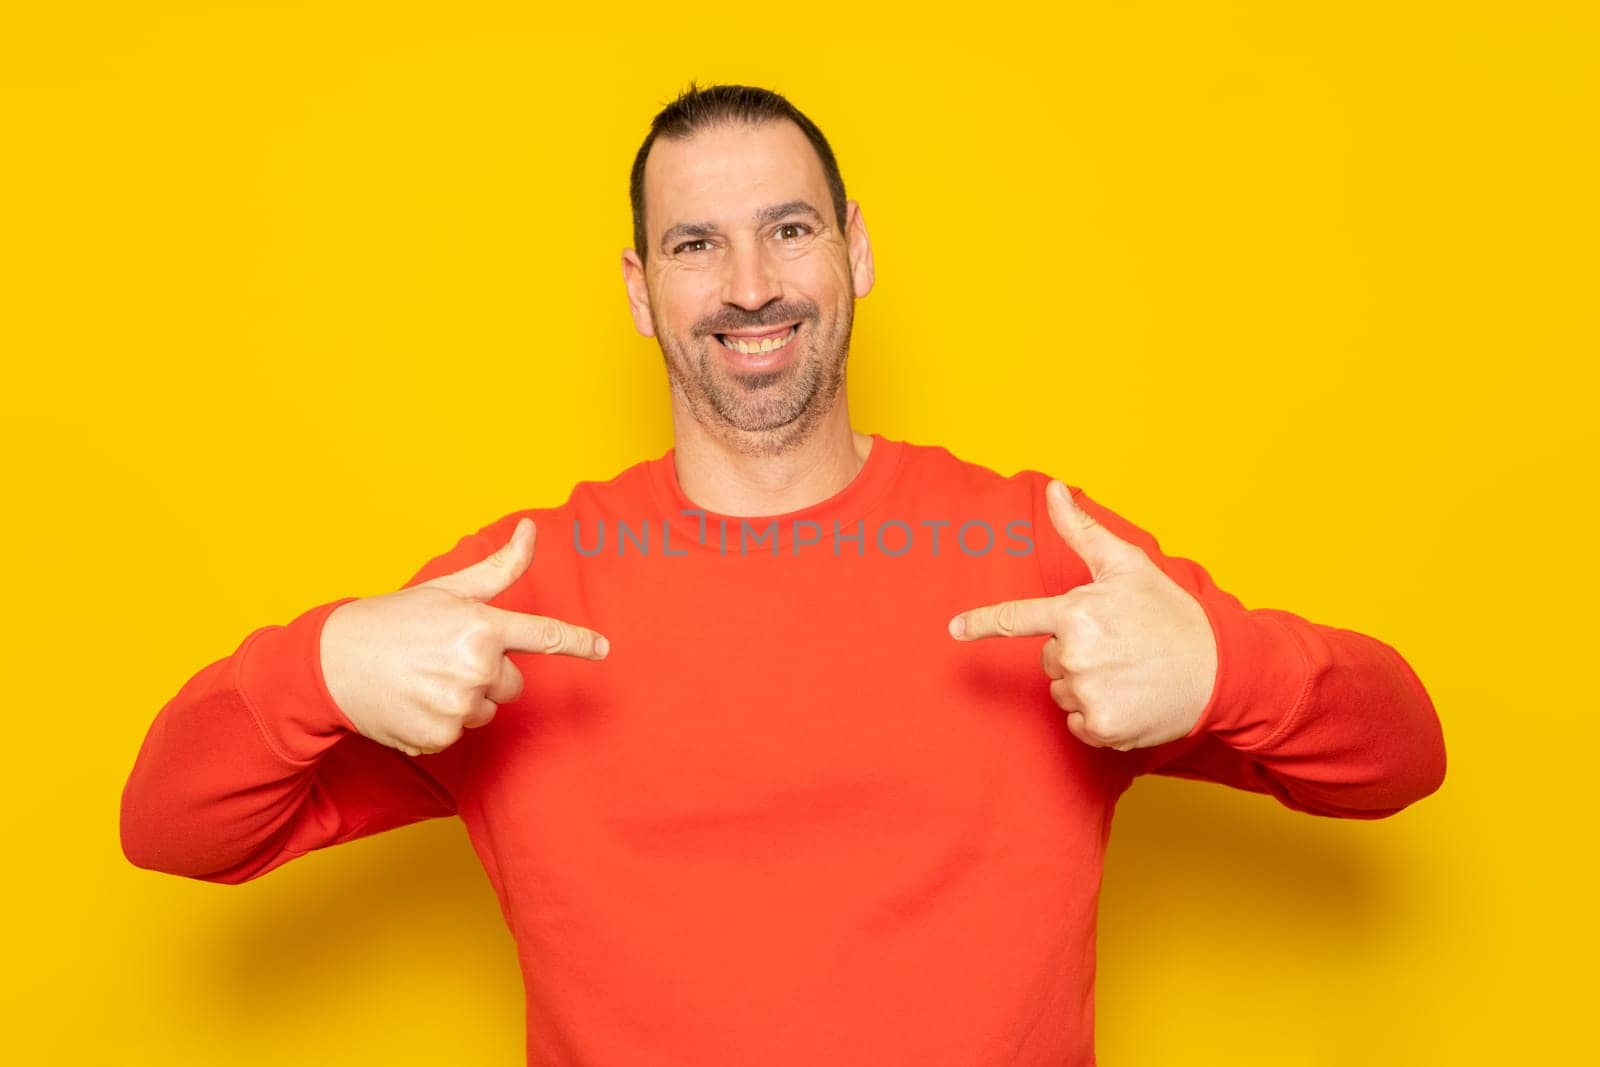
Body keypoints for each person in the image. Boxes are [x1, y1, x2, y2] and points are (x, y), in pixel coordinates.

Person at [120, 83, 1447, 1065]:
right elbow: (175, 828)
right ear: (642, 292)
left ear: (856, 251)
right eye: (697, 246)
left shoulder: (1038, 553)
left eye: (789, 230)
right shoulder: (518, 594)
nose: (751, 285)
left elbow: (1399, 758)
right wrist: (326, 663)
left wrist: (1225, 667)